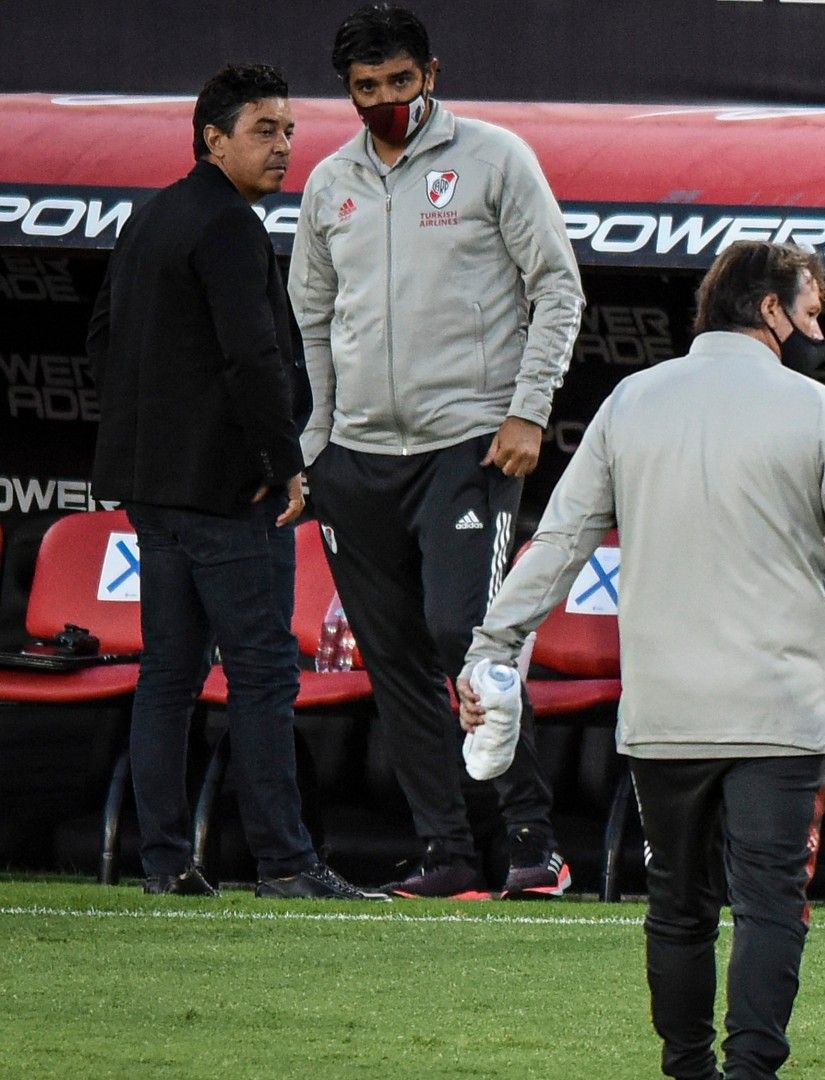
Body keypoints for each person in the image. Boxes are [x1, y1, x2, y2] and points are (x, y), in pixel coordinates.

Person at [460, 240, 825, 1080]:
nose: (819, 331)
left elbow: (557, 543)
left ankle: (687, 1068)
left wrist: (493, 645)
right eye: (812, 313)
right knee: (771, 904)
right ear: (771, 311)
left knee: (677, 908)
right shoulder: (813, 408)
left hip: (664, 716)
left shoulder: (632, 400)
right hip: (778, 713)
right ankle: (749, 1073)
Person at [289, 3, 586, 899]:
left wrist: (528, 413)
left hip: (470, 446)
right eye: (366, 88)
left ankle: (534, 840)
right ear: (347, 90)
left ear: (433, 73)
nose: (384, 100)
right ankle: (447, 852)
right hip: (355, 461)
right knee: (393, 658)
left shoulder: (496, 158)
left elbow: (558, 290)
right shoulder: (329, 182)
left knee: (469, 636)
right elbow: (308, 322)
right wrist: (314, 450)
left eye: (400, 82)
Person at [88, 63, 383, 902]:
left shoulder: (151, 217)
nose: (284, 146)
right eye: (264, 130)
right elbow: (253, 358)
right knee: (261, 677)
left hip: (156, 491)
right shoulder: (228, 227)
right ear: (212, 138)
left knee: (169, 677)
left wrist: (157, 438)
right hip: (225, 497)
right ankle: (286, 863)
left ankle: (164, 863)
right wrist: (282, 464)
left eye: (289, 130)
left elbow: (102, 339)